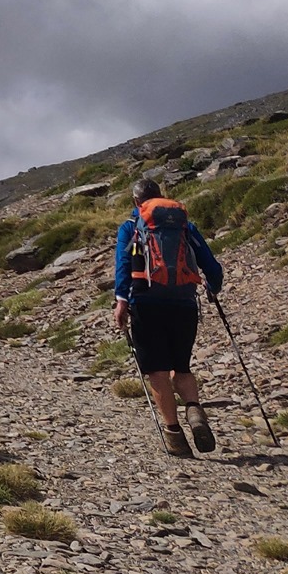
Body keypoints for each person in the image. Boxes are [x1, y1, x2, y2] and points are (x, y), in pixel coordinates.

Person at [113, 177, 225, 458]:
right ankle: (194, 410)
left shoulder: (131, 227)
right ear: (161, 197)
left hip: (146, 305)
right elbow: (210, 264)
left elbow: (124, 264)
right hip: (183, 304)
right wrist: (213, 287)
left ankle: (175, 435)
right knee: (182, 367)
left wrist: (121, 302)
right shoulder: (185, 226)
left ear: (136, 202)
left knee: (157, 372)